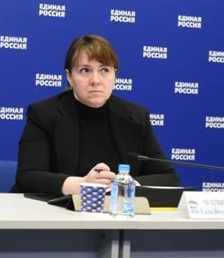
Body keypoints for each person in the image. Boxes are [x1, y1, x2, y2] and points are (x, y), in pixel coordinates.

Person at [14, 34, 179, 197]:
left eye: (104, 70)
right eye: (85, 70)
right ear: (69, 77)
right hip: (54, 210)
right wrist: (82, 185)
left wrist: (125, 184)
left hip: (115, 210)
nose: (95, 80)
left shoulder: (136, 117)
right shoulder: (44, 114)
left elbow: (169, 178)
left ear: (114, 75)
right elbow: (28, 176)